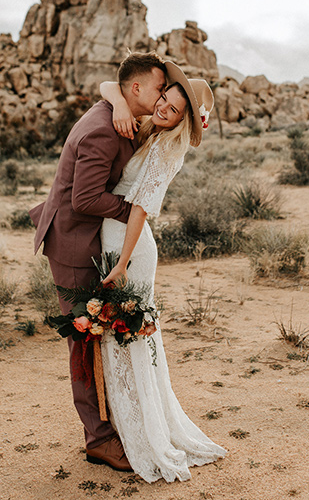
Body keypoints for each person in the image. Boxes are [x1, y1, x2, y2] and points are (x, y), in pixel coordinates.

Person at [29, 51, 167, 472]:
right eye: (159, 88)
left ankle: (110, 425)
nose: (162, 96)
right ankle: (98, 440)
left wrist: (120, 98)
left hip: (89, 240)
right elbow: (85, 198)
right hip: (73, 245)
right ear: (137, 88)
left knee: (100, 335)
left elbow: (113, 85)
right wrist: (136, 209)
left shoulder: (119, 110)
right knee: (84, 340)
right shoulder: (103, 131)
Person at [98, 62, 226, 483]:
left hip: (130, 246)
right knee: (122, 338)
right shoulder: (152, 127)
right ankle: (128, 424)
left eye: (174, 108)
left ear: (187, 118)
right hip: (119, 237)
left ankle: (142, 433)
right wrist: (118, 100)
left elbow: (140, 208)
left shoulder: (168, 148)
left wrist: (121, 263)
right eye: (164, 100)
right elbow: (104, 85)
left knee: (128, 336)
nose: (164, 109)